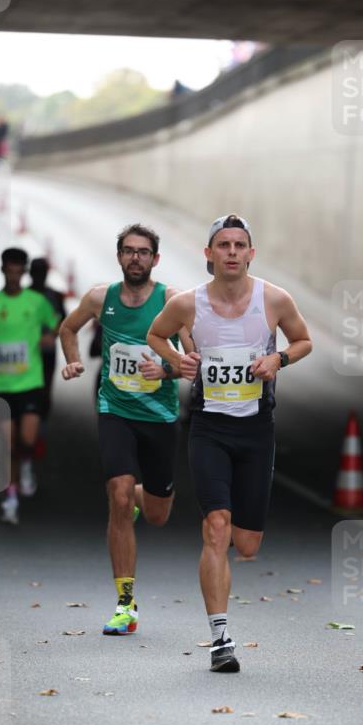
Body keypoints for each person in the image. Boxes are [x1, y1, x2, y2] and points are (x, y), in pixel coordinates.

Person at [147, 214, 313, 673]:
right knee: (216, 526)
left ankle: (225, 611)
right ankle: (221, 639)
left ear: (251, 253)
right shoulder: (187, 304)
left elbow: (304, 341)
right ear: (209, 254)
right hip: (209, 427)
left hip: (257, 429)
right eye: (224, 245)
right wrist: (177, 361)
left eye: (240, 245)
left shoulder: (274, 299)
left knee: (247, 545)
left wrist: (277, 359)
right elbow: (155, 334)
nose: (233, 252)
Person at [59, 223, 193, 636]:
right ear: (119, 256)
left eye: (144, 252)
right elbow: (67, 328)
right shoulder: (102, 297)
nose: (136, 258)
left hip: (159, 419)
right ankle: (125, 604)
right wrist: (74, 360)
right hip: (115, 411)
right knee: (117, 495)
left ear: (156, 259)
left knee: (155, 514)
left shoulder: (171, 301)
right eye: (129, 251)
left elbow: (193, 363)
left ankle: (141, 496)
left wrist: (165, 370)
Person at [0, 248, 61, 525]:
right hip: (0, 384)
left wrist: (50, 336)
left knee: (28, 440)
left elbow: (58, 324)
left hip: (30, 382)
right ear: (3, 270)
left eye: (18, 270)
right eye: (9, 270)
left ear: (23, 272)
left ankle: (25, 464)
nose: (13, 275)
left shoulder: (36, 302)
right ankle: (11, 497)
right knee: (9, 443)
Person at [29, 257, 66, 428]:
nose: (39, 276)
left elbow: (65, 321)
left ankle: (41, 425)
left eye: (41, 273)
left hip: (47, 350)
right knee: (28, 389)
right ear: (30, 273)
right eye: (36, 272)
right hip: (27, 351)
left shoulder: (55, 296)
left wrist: (52, 335)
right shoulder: (23, 296)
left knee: (45, 389)